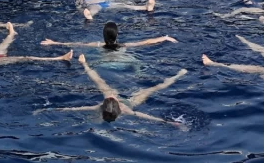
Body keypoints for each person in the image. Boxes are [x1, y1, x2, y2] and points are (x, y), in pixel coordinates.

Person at [38, 54, 186, 125]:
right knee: (153, 88)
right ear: (116, 104)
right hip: (130, 102)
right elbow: (148, 117)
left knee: (99, 82)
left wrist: (47, 110)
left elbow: (73, 109)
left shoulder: (97, 107)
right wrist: (171, 123)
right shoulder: (127, 110)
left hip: (112, 111)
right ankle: (178, 75)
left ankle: (85, 64)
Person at [41, 21, 177, 49]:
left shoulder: (98, 45)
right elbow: (147, 41)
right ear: (117, 35)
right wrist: (165, 37)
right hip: (122, 63)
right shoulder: (124, 45)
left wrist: (54, 42)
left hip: (104, 64)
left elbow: (76, 44)